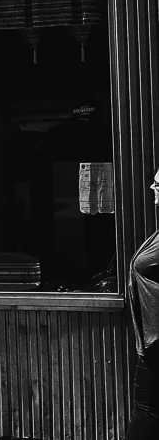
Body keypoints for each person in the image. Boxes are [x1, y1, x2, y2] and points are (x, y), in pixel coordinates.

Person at [129, 168, 159, 436]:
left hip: (157, 343)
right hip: (151, 342)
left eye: (158, 183)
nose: (152, 187)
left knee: (146, 413)